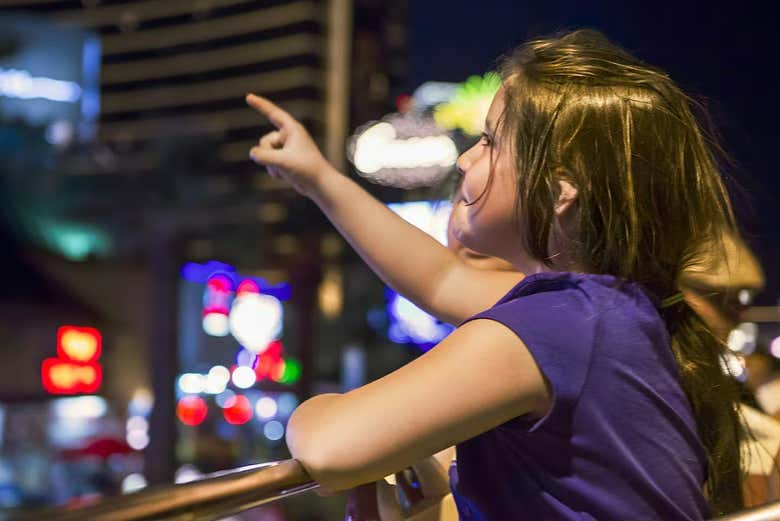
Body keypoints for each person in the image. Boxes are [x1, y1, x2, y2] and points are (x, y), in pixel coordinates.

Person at [247, 29, 746, 520]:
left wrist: (310, 409)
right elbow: (440, 279)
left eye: (490, 141)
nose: (465, 159)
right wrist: (318, 178)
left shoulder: (554, 326)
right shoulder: (604, 309)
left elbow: (334, 447)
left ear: (560, 190)